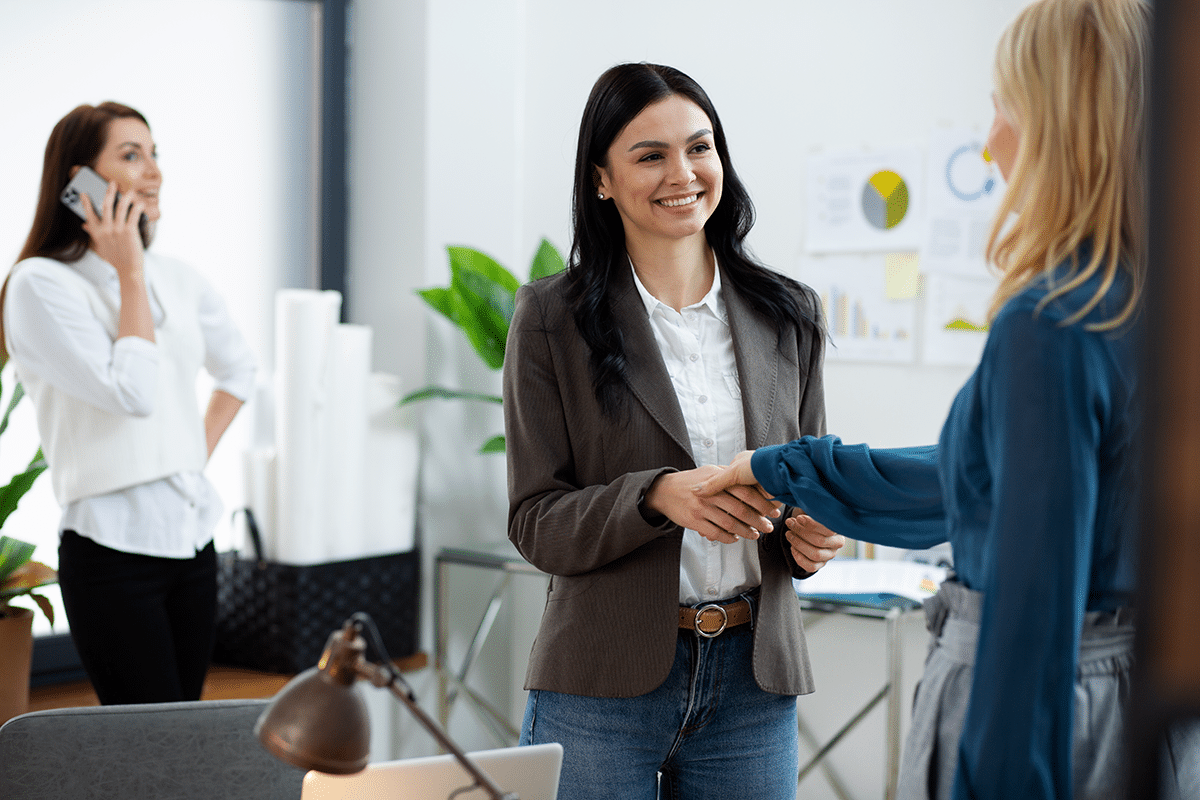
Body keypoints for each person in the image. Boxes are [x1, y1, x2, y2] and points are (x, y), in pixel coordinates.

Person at [696, 1, 1166, 798]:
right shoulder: (1150, 303)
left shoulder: (1052, 320)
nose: (991, 139)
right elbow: (981, 480)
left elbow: (1030, 614)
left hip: (1048, 720)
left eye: (1003, 104)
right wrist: (788, 468)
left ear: (1061, 121)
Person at [503, 63, 844, 800]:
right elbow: (536, 522)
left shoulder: (790, 315)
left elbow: (806, 487)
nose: (682, 173)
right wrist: (657, 495)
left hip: (754, 683)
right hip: (601, 685)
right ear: (601, 179)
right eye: (649, 154)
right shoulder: (551, 319)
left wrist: (811, 533)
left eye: (700, 147)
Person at [1, 102, 255, 704]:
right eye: (131, 155)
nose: (154, 171)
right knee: (145, 745)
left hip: (192, 540)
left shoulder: (182, 277)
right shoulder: (40, 285)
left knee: (185, 730)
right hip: (112, 551)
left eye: (155, 153)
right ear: (79, 180)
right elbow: (133, 393)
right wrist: (130, 273)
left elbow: (239, 370)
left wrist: (189, 457)